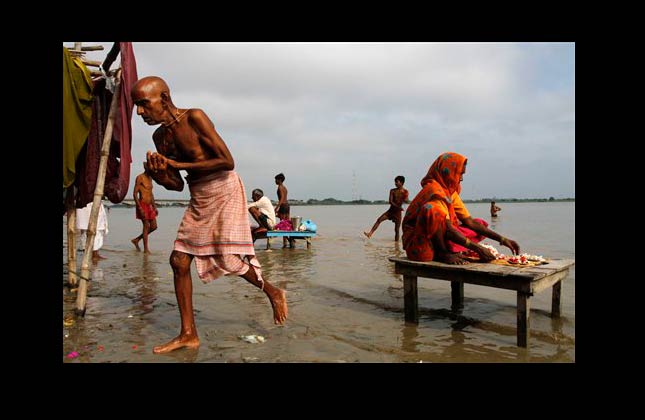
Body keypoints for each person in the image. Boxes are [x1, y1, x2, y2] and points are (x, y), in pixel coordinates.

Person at [131, 76, 288, 354]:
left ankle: (273, 291)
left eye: (144, 104)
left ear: (164, 99)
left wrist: (173, 163)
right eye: (137, 107)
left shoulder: (194, 117)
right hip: (199, 193)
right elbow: (178, 184)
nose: (140, 112)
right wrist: (160, 174)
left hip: (224, 187)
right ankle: (188, 334)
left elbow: (227, 160)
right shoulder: (159, 137)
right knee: (179, 260)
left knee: (227, 257)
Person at [402, 152, 517, 265]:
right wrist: (478, 249)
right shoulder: (434, 192)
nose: (461, 179)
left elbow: (470, 222)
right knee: (432, 209)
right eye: (459, 174)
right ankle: (443, 253)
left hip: (441, 236)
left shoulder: (450, 193)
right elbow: (448, 230)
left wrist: (503, 239)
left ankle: (449, 250)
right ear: (448, 173)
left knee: (478, 223)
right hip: (419, 241)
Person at [363, 175, 409, 241]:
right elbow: (390, 201)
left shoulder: (405, 192)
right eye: (395, 182)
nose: (395, 183)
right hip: (390, 211)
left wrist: (406, 199)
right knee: (379, 220)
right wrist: (398, 207)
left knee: (397, 230)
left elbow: (406, 200)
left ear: (401, 183)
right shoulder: (392, 191)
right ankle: (370, 234)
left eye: (397, 182)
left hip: (398, 213)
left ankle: (396, 245)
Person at [131, 162, 159, 253]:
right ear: (146, 168)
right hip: (142, 204)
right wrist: (139, 208)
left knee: (154, 226)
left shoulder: (150, 178)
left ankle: (136, 240)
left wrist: (154, 206)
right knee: (146, 225)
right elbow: (135, 194)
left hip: (149, 205)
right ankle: (146, 249)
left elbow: (151, 193)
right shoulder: (140, 177)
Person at [274, 172, 292, 247]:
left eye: (276, 180)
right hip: (287, 205)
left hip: (283, 206)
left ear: (280, 180)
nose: (275, 181)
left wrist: (276, 207)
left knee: (283, 225)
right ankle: (290, 240)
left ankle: (285, 243)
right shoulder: (284, 188)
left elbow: (281, 199)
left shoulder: (280, 187)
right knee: (287, 224)